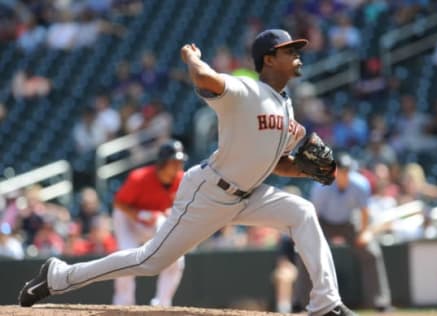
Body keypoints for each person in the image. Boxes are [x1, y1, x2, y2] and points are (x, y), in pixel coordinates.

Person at [18, 29, 354, 316]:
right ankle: (59, 276)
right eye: (289, 50)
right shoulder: (245, 89)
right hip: (211, 192)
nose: (298, 54)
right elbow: (207, 79)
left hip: (251, 194)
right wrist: (192, 59)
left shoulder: (286, 106)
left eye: (297, 50)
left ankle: (326, 304)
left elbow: (279, 162)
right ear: (268, 59)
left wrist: (308, 172)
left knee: (303, 211)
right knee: (149, 261)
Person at [308, 153, 392, 312]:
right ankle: (299, 302)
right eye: (341, 170)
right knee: (306, 252)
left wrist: (365, 232)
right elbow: (313, 214)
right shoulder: (321, 185)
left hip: (349, 222)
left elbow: (364, 211)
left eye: (347, 170)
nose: (344, 174)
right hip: (324, 222)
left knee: (371, 252)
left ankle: (381, 302)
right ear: (334, 171)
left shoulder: (360, 184)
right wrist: (313, 238)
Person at [111, 140, 186, 306]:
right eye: (173, 162)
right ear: (162, 162)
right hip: (128, 220)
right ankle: (122, 305)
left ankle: (162, 304)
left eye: (180, 162)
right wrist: (140, 214)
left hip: (155, 220)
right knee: (127, 256)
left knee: (176, 256)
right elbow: (119, 204)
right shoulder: (139, 177)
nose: (177, 166)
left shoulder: (182, 179)